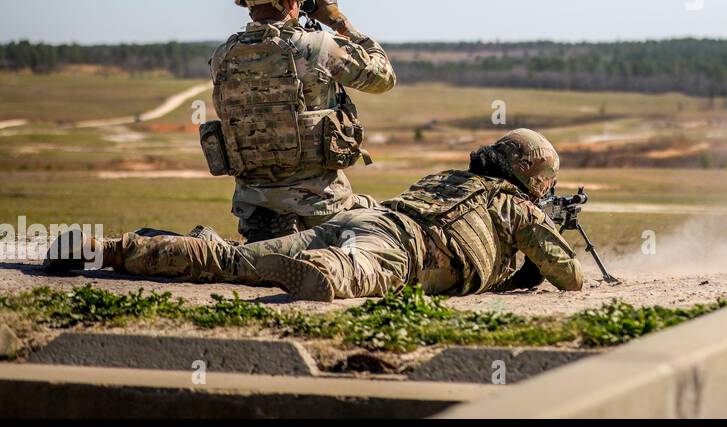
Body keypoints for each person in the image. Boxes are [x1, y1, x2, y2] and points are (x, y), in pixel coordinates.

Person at [45, 129, 584, 302]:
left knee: (232, 260)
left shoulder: (451, 178)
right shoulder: (513, 205)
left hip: (366, 218)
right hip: (404, 246)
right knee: (359, 271)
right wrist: (542, 245)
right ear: (533, 177)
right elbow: (571, 278)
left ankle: (110, 248)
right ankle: (327, 272)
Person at [201, 0, 396, 242]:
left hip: (254, 209)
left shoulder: (222, 56)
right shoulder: (318, 47)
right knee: (391, 223)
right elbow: (384, 78)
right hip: (323, 207)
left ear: (247, 2)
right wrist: (340, 23)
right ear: (293, 1)